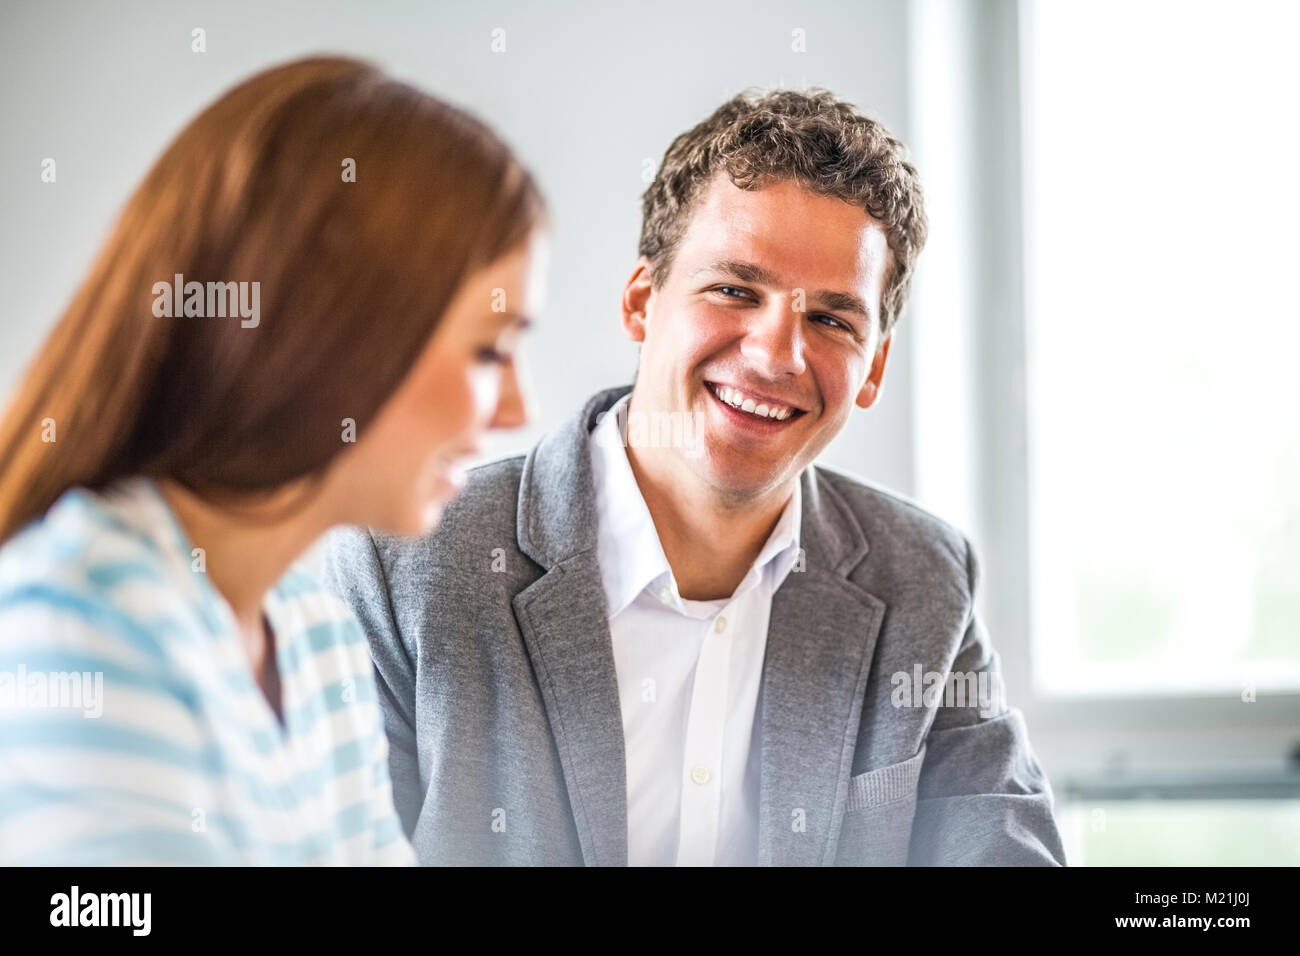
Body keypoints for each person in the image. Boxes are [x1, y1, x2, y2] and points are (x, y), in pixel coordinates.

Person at [326, 88, 1066, 866]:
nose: (777, 355)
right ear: (643, 303)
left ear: (873, 366)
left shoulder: (923, 579)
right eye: (735, 291)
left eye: (830, 320)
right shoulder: (406, 560)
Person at [0, 55, 548, 864]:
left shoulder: (315, 635)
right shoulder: (84, 626)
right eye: (487, 352)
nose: (517, 411)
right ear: (330, 334)